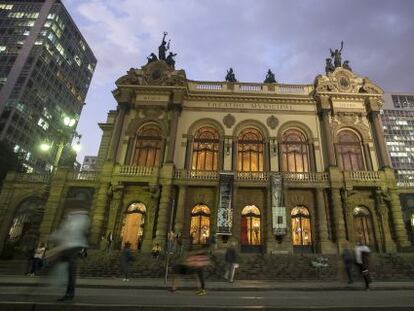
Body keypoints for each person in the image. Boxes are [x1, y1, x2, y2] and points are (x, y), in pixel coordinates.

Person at [49, 209, 90, 302]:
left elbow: (71, 232)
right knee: (66, 269)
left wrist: (55, 238)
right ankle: (66, 289)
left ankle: (68, 293)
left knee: (70, 271)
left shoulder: (80, 218)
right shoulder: (75, 218)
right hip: (69, 247)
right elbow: (64, 232)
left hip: (72, 248)